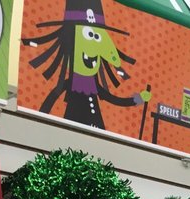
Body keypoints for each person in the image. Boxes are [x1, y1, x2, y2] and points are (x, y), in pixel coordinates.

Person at [23, 0, 151, 130]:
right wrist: (38, 119)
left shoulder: (94, 86)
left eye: (97, 38)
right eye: (90, 35)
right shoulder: (71, 83)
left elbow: (113, 99)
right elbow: (51, 98)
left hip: (96, 131)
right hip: (72, 130)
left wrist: (137, 99)